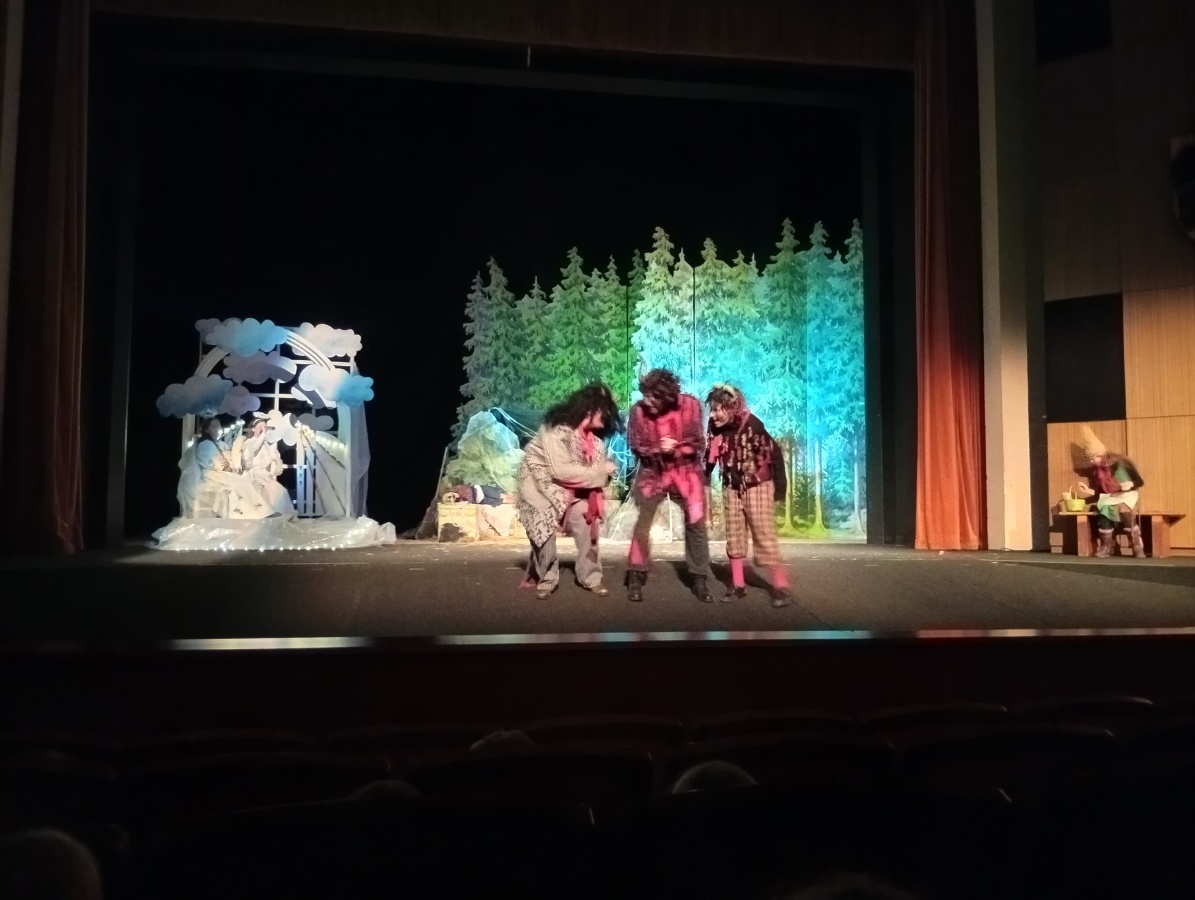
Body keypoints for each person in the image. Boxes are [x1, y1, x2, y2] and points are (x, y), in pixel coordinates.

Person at [517, 383, 620, 599]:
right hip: (540, 488)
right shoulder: (556, 431)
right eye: (605, 410)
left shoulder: (595, 441)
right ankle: (547, 578)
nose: (608, 416)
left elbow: (596, 473)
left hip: (572, 491)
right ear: (590, 410)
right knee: (543, 527)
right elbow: (561, 471)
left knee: (587, 520)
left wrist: (606, 472)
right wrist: (600, 471)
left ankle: (591, 577)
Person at [626, 368, 713, 603]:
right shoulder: (638, 412)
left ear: (667, 396)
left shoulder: (690, 406)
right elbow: (635, 444)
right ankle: (635, 574)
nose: (647, 401)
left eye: (653, 397)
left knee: (696, 524)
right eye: (645, 395)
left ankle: (699, 577)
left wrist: (676, 447)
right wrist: (657, 448)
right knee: (643, 522)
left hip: (686, 472)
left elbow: (699, 443)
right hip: (652, 473)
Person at [706, 384, 792, 607]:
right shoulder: (715, 428)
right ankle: (738, 584)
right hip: (731, 485)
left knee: (763, 533)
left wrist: (780, 488)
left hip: (757, 485)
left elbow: (774, 454)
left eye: (717, 410)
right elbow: (710, 456)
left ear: (731, 407)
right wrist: (706, 471)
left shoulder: (752, 425)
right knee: (734, 533)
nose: (712, 415)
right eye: (712, 410)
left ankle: (780, 586)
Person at [1074, 424, 1145, 558]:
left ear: (1101, 454)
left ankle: (1136, 546)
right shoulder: (1097, 472)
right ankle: (1106, 546)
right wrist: (1090, 491)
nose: (1092, 461)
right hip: (1111, 496)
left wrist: (1130, 484)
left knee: (1124, 510)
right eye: (1089, 459)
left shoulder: (1122, 463)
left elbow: (1139, 481)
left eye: (1093, 458)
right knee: (1103, 509)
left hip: (1127, 495)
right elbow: (1103, 492)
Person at [176, 415, 263, 518]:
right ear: (207, 430)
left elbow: (229, 457)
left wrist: (231, 464)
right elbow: (212, 462)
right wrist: (226, 467)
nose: (218, 428)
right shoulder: (205, 444)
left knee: (243, 482)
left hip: (222, 473)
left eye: (219, 425)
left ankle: (248, 513)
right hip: (212, 474)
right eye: (214, 426)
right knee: (234, 485)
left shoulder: (221, 444)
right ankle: (235, 515)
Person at [236, 412, 294, 517]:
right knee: (261, 494)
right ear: (253, 429)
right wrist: (263, 434)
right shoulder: (249, 442)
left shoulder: (266, 444)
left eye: (264, 427)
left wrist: (273, 470)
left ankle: (279, 515)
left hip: (264, 474)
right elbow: (254, 449)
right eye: (260, 427)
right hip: (254, 474)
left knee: (279, 492)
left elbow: (273, 458)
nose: (263, 429)